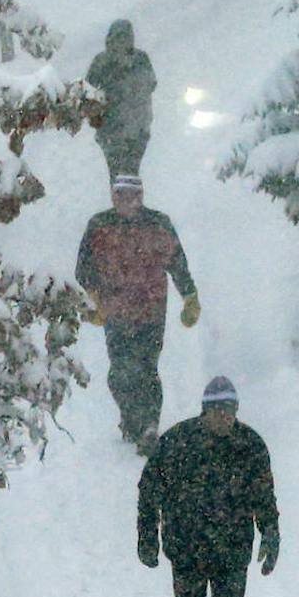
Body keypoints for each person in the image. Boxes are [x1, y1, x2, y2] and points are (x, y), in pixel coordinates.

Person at [137, 377, 278, 597]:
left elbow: (264, 495)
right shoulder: (177, 442)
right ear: (204, 412)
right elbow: (149, 490)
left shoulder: (250, 446)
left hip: (233, 551)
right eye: (216, 411)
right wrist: (147, 536)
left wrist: (271, 533)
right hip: (187, 550)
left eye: (228, 411)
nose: (222, 418)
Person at [75, 174, 199, 451]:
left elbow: (177, 264)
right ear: (112, 196)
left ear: (141, 197)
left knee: (146, 369)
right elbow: (83, 270)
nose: (126, 201)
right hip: (115, 312)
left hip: (151, 312)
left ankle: (149, 427)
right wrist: (93, 302)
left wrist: (190, 296)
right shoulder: (99, 225)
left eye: (132, 195)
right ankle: (132, 420)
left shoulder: (158, 224)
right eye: (120, 195)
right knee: (120, 372)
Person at [85, 18, 157, 180]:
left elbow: (150, 84)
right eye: (119, 37)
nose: (122, 42)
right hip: (117, 130)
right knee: (125, 175)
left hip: (131, 129)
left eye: (125, 37)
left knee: (123, 175)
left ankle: (125, 203)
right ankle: (128, 203)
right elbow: (88, 93)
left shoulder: (105, 61)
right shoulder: (136, 59)